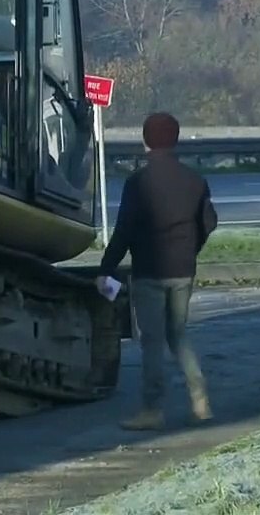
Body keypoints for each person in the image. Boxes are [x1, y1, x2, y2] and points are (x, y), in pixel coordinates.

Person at [97, 112, 218, 430]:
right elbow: (209, 223)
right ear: (175, 139)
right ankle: (200, 400)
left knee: (152, 341)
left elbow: (123, 231)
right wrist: (191, 248)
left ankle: (152, 409)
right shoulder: (195, 180)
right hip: (183, 270)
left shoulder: (138, 183)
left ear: (146, 140)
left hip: (149, 272)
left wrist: (106, 269)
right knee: (178, 334)